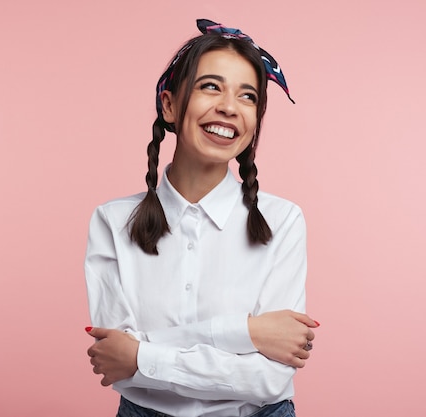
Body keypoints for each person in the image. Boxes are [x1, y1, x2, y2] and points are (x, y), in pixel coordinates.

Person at [84, 19, 319, 417]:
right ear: (170, 104)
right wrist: (249, 334)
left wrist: (143, 356)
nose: (229, 106)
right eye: (211, 86)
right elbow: (116, 367)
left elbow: (269, 379)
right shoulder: (112, 221)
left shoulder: (284, 221)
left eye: (247, 96)